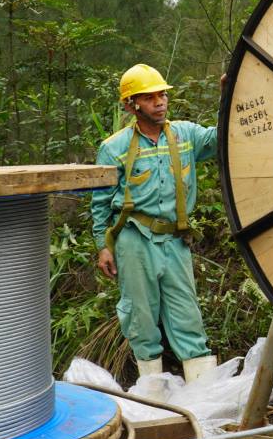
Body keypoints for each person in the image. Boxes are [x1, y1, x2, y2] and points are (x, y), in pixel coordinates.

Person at [91, 63, 218, 384]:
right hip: (134, 240)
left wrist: (231, 92)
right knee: (141, 318)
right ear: (130, 105)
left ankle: (205, 398)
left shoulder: (186, 135)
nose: (160, 102)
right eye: (149, 98)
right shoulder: (114, 148)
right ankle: (153, 396)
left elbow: (223, 137)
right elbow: (101, 202)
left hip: (175, 240)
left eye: (162, 95)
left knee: (187, 317)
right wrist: (102, 246)